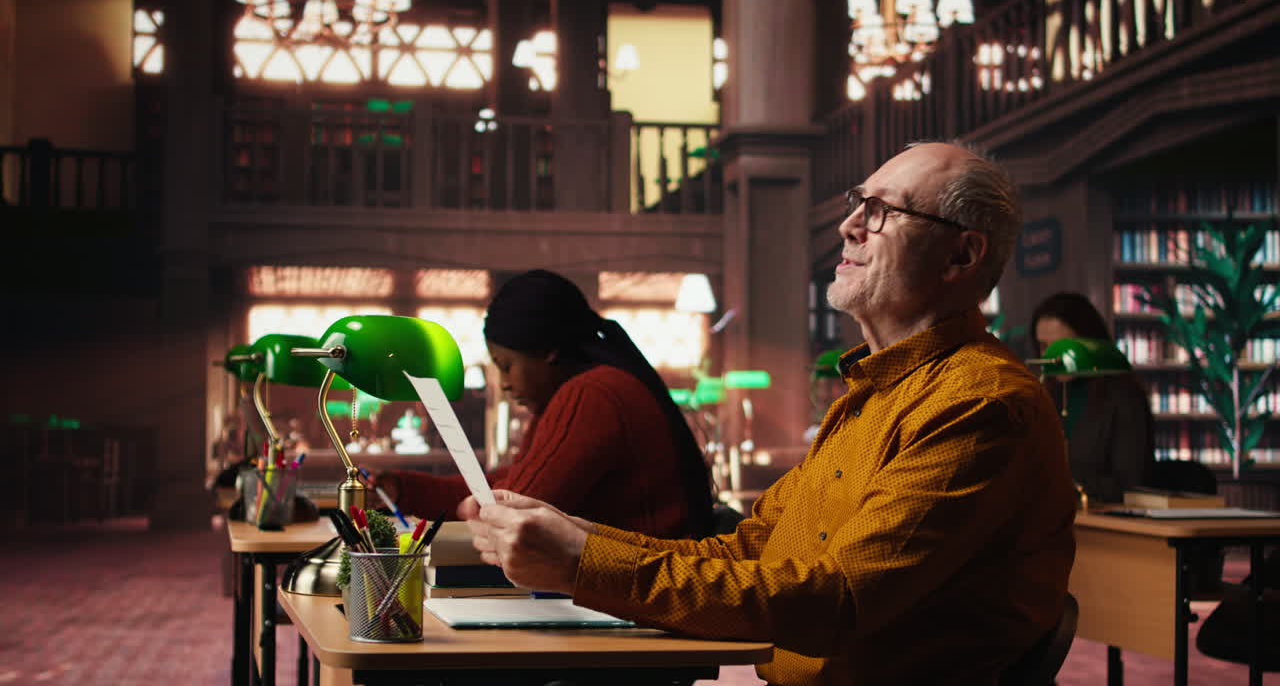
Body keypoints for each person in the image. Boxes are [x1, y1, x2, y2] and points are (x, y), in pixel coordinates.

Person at [458, 142, 1077, 685]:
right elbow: (749, 551)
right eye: (856, 203)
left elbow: (836, 603)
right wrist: (583, 537)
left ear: (962, 256)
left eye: (881, 211)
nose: (849, 226)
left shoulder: (980, 403)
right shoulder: (871, 393)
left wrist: (582, 563)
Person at [374, 269, 715, 539]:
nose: (504, 383)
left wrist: (472, 508)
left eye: (506, 365)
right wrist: (400, 489)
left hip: (631, 594)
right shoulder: (585, 391)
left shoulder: (591, 395)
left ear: (549, 351)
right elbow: (502, 487)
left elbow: (511, 514)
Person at [1030, 291, 1155, 503]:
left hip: (1103, 515)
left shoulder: (1124, 397)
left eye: (1063, 346)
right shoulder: (1042, 395)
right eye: (1044, 347)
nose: (1052, 358)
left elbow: (1130, 484)